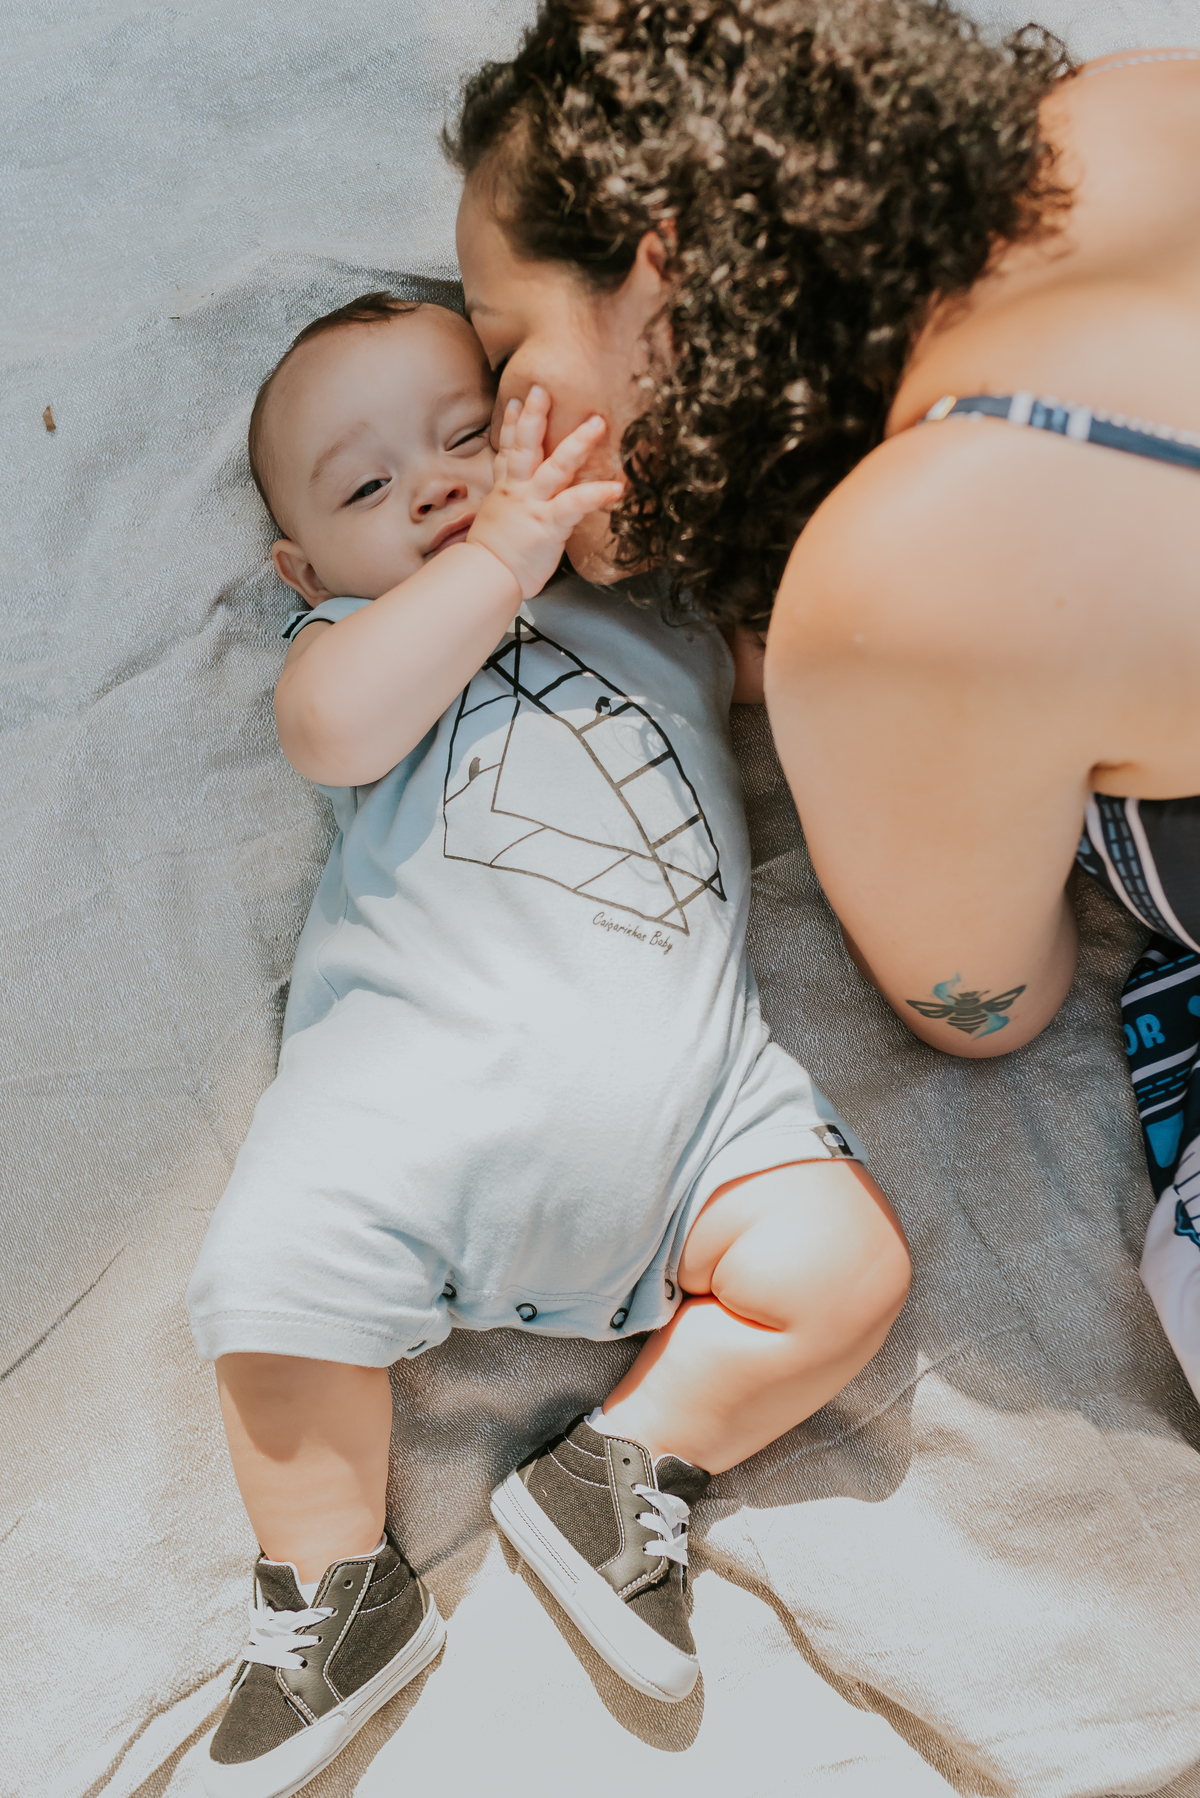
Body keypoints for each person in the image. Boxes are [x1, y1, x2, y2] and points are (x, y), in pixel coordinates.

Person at [187, 291, 910, 1797]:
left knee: (846, 1271)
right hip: (405, 1104)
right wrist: (505, 548)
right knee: (266, 1281)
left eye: (468, 434)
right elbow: (333, 732)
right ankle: (334, 1591)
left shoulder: (648, 604)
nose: (442, 487)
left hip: (698, 1104)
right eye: (370, 485)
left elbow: (834, 640)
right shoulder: (349, 645)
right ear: (299, 566)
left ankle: (627, 1461)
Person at [449, 3, 1200, 1399]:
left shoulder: (908, 582)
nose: (494, 421)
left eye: (505, 357)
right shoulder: (1132, 102)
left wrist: (837, 672)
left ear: (663, 274)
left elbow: (987, 1005)